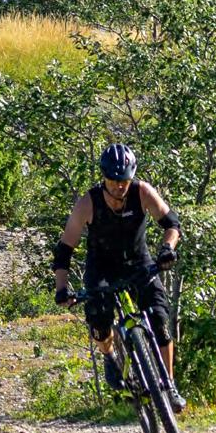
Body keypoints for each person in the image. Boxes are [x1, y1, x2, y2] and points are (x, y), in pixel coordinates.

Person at [51, 143, 185, 412]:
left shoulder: (142, 192)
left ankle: (169, 385)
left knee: (160, 319)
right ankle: (110, 355)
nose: (119, 186)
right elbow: (65, 248)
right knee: (99, 320)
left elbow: (172, 223)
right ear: (104, 177)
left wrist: (167, 249)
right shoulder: (88, 203)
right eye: (113, 180)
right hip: (101, 269)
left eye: (124, 180)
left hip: (139, 263)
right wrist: (62, 287)